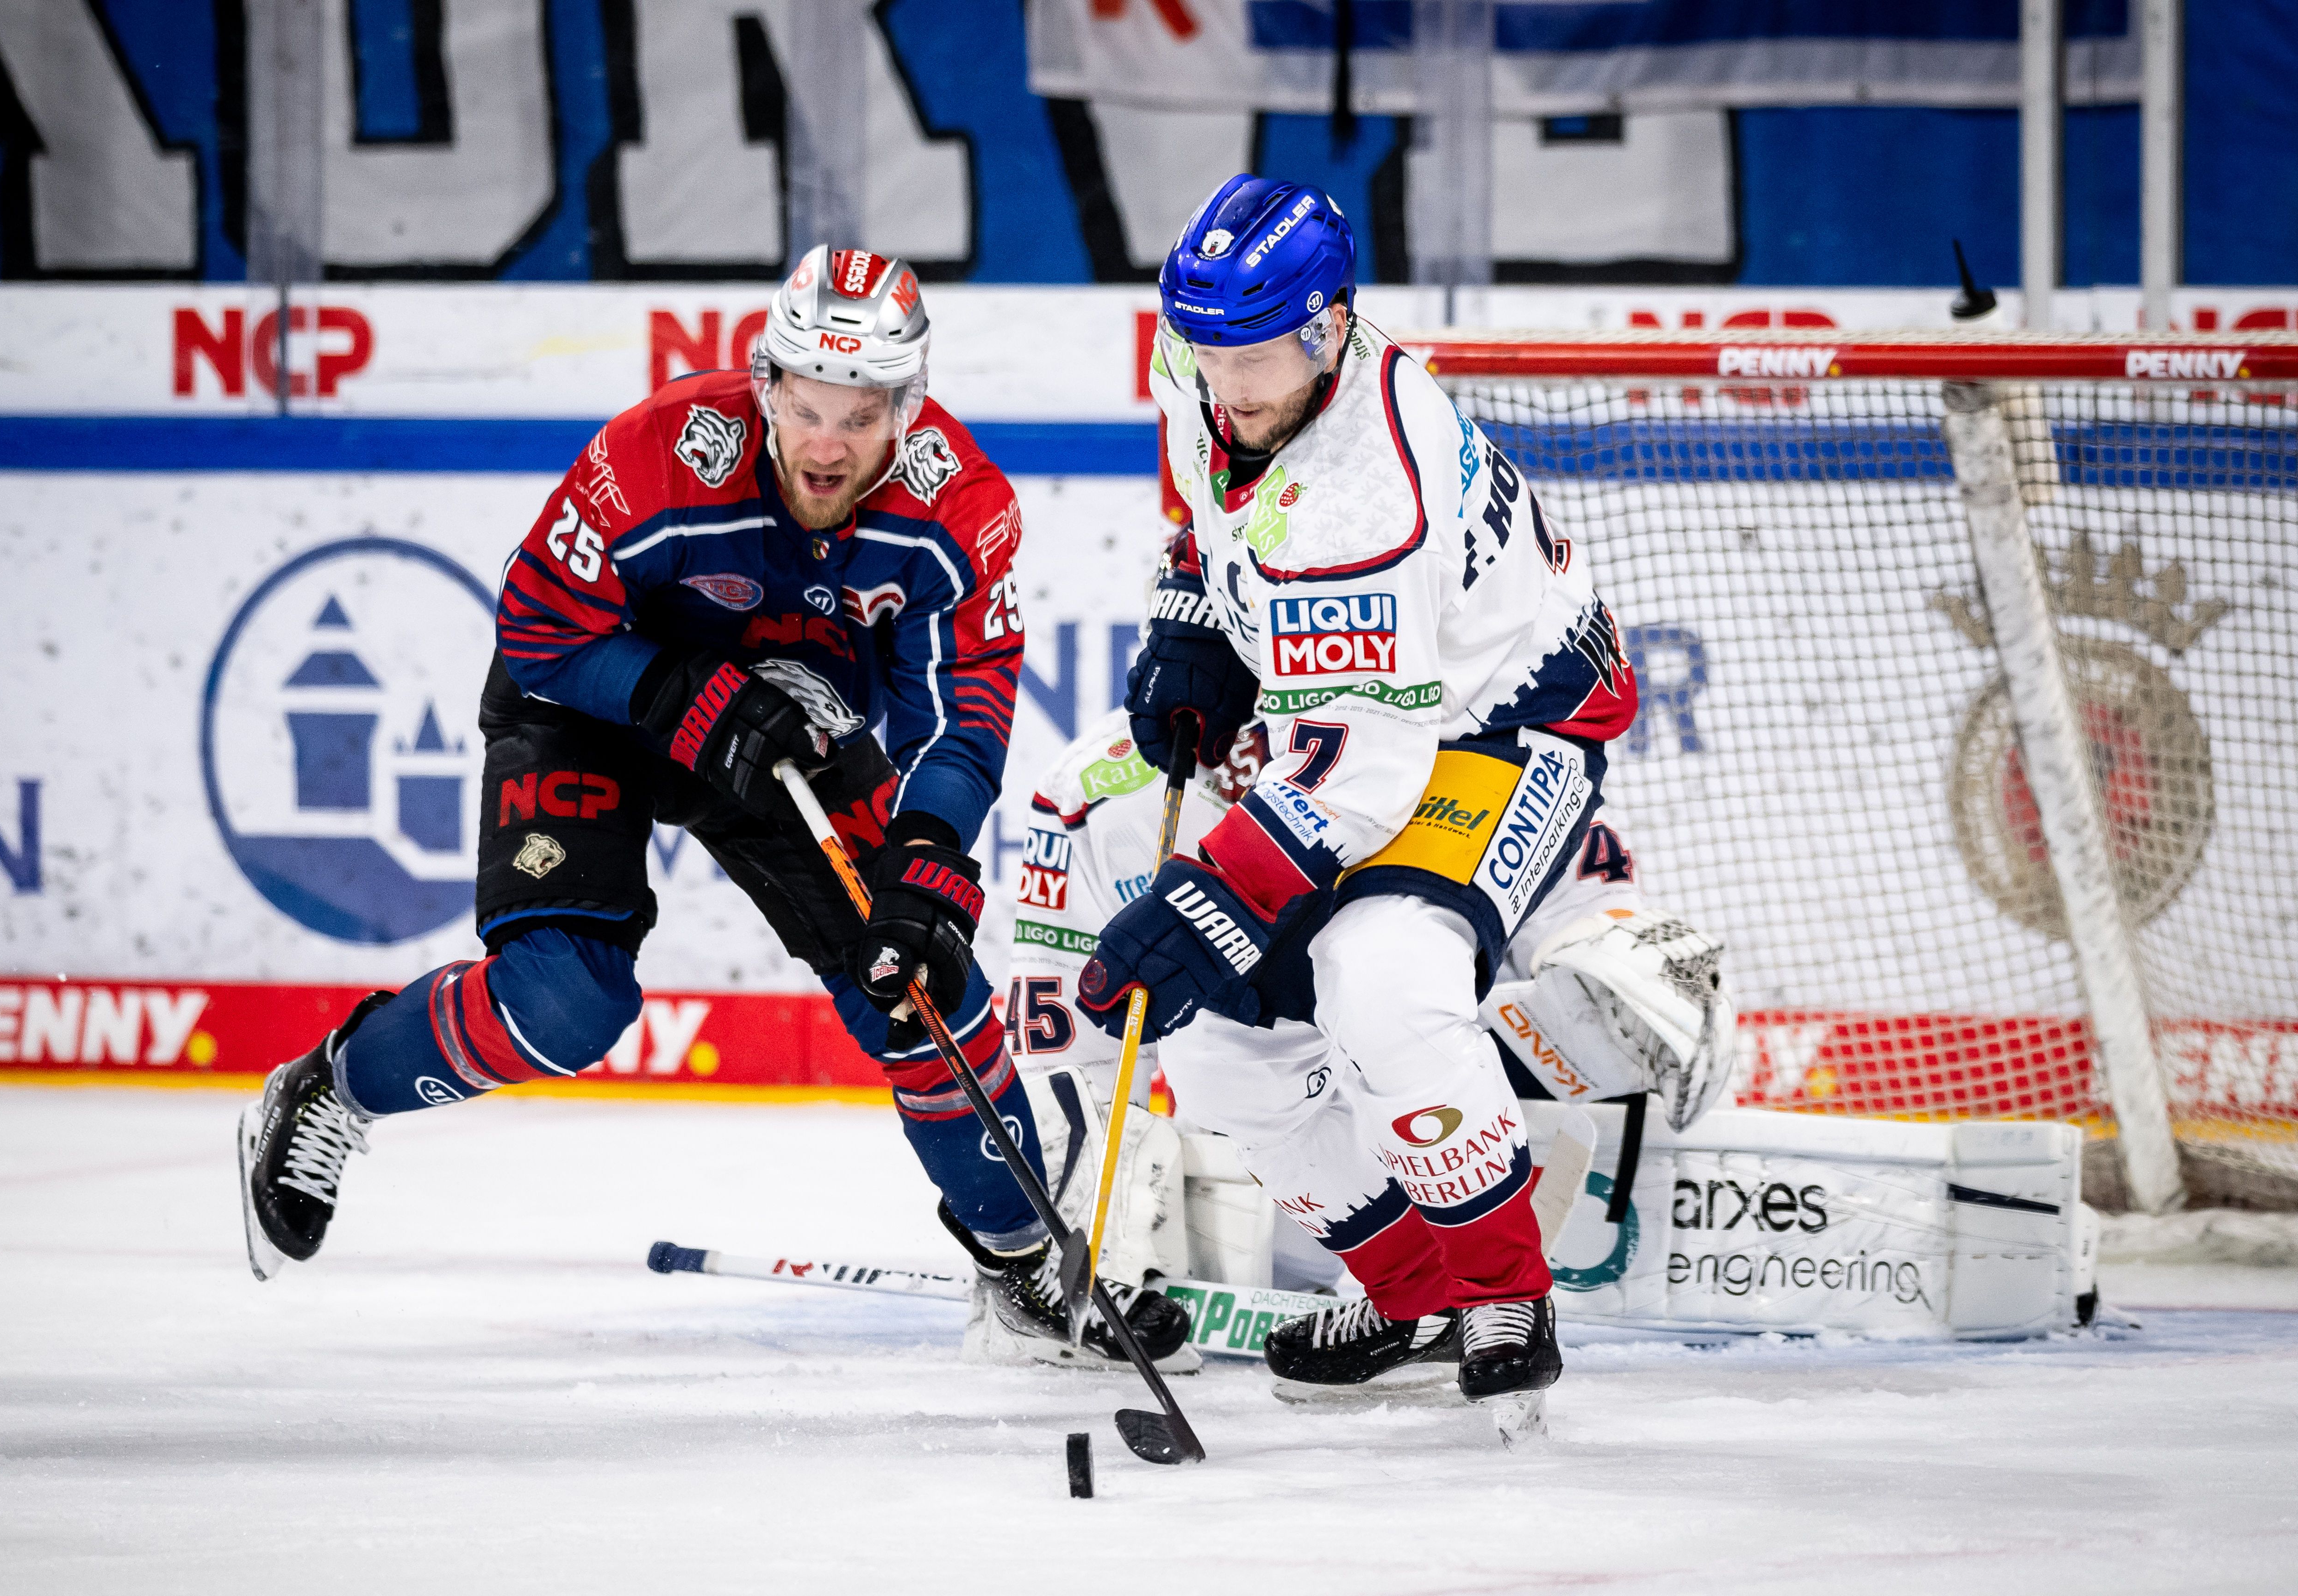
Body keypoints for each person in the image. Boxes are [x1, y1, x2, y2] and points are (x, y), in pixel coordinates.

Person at [235, 244, 1188, 1370]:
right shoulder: (656, 456)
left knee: (920, 978)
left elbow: (961, 720)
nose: (826, 443)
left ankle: (1021, 1256)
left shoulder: (959, 508)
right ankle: (333, 1081)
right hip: (595, 701)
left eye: (862, 413)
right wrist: (680, 693)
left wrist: (929, 850)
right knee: (564, 1004)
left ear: (908, 410)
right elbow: (539, 629)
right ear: (765, 381)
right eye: (806, 403)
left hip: (791, 738)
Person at [1077, 175, 1655, 1416]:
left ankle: (1503, 1294)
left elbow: (1364, 775)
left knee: (1379, 974)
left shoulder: (1364, 493)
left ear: (1328, 328)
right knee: (1216, 1043)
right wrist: (1194, 622)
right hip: (1369, 717)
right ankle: (1411, 1300)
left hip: (1503, 730)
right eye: (1200, 346)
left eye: (1252, 355)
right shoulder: (1218, 374)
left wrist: (1203, 900)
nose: (1223, 386)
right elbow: (1213, 513)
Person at [1014, 697, 1732, 1393]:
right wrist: (1083, 1228)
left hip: (1443, 1076)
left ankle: (1493, 1290)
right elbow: (1067, 1039)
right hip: (1281, 1150)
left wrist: (1618, 940)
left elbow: (1567, 880)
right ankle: (1418, 1300)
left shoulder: (1400, 721)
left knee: (1412, 995)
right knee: (1210, 1057)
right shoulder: (1093, 795)